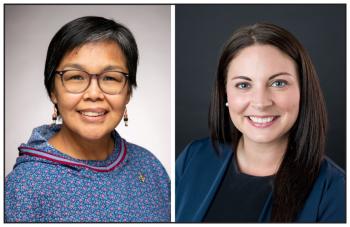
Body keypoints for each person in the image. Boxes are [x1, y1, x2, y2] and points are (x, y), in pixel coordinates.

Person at [5, 16, 170, 222]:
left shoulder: (150, 167)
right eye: (76, 77)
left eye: (110, 78)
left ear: (128, 92)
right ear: (53, 91)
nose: (94, 93)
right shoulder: (24, 187)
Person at [176, 23, 345, 223]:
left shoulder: (334, 189)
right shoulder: (193, 158)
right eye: (243, 85)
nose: (261, 103)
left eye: (278, 83)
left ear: (303, 90)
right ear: (225, 94)